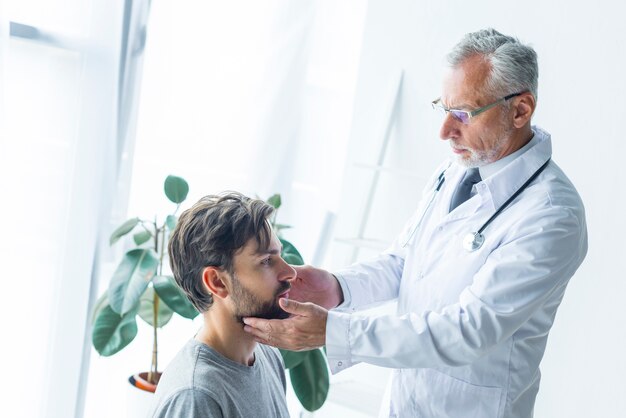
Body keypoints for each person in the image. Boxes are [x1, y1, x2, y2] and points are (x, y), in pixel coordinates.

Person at [243, 28, 588, 418]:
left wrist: (336, 332)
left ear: (521, 109)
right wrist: (337, 287)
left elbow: (469, 329)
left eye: (463, 114)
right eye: (443, 109)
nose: (444, 131)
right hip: (406, 402)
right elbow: (406, 261)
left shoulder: (551, 215)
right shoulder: (457, 168)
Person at [149, 192, 293, 418]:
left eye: (279, 256)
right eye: (266, 261)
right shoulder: (196, 397)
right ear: (217, 282)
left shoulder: (267, 355)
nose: (290, 272)